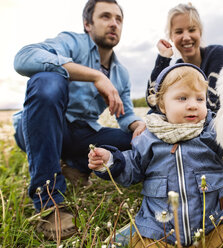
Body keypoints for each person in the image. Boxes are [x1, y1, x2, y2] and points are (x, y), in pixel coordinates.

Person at [12, 0, 145, 240]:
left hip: (83, 133)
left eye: (118, 19)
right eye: (105, 16)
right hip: (43, 127)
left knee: (136, 141)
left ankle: (74, 166)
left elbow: (125, 114)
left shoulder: (121, 73)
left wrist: (137, 126)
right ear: (88, 24)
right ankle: (49, 200)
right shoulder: (72, 43)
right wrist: (93, 75)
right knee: (47, 80)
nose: (113, 23)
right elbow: (24, 57)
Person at [88, 63, 223, 247]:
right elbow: (132, 167)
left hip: (211, 226)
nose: (193, 105)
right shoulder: (148, 138)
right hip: (159, 230)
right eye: (182, 98)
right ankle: (136, 232)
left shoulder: (212, 132)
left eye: (200, 99)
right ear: (162, 105)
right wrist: (110, 161)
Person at [146, 3, 223, 113]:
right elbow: (153, 101)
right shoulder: (177, 70)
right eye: (179, 32)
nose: (186, 37)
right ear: (171, 37)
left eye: (192, 30)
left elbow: (214, 106)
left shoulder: (218, 55)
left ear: (200, 32)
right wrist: (163, 57)